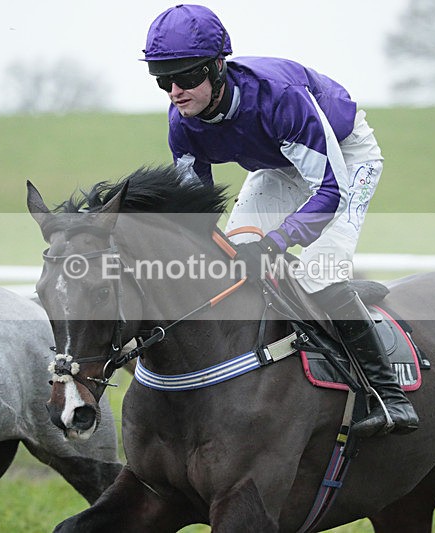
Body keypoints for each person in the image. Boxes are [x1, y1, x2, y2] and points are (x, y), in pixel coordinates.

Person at [142, 4, 418, 437]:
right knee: (228, 265)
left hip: (345, 159)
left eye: (188, 76)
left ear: (218, 67)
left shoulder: (277, 97)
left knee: (318, 272)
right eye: (163, 80)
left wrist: (274, 243)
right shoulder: (182, 122)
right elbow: (194, 215)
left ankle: (388, 396)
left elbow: (330, 190)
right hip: (277, 166)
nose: (176, 91)